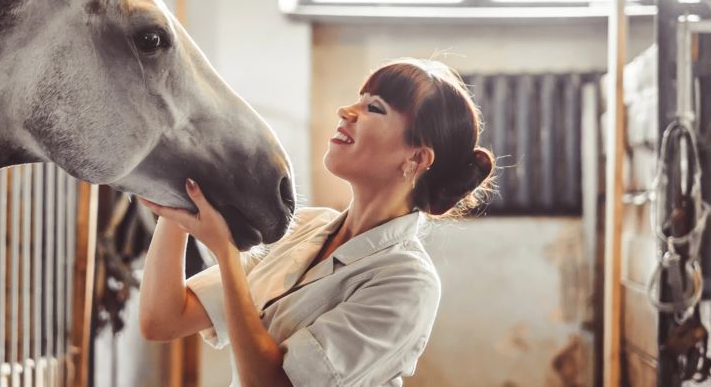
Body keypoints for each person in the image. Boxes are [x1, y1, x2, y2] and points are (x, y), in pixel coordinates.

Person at [137, 58, 495, 387]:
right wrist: (181, 199)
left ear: (415, 158)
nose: (346, 111)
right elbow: (163, 319)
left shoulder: (408, 282)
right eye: (360, 97)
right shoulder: (304, 227)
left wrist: (225, 253)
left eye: (374, 108)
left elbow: (273, 383)